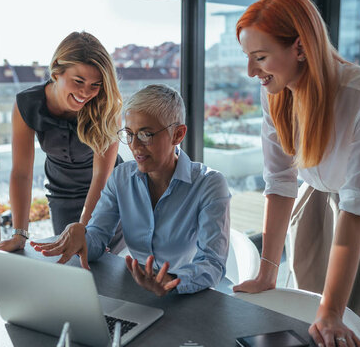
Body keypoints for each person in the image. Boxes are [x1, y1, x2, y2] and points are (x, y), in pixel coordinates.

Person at [232, 0, 360, 347]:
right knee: (306, 324)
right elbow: (279, 181)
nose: (250, 71)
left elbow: (356, 204)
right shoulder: (273, 91)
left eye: (259, 57)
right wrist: (266, 272)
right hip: (317, 202)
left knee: (357, 329)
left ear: (301, 48)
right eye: (247, 57)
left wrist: (333, 310)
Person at [31, 84, 231, 296]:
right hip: (136, 290)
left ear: (178, 135)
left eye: (146, 135)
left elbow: (212, 262)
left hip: (190, 295)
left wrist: (171, 281)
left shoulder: (209, 184)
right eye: (129, 134)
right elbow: (98, 238)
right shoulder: (121, 177)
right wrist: (81, 238)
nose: (134, 146)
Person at [0, 31, 125, 253]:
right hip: (61, 194)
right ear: (57, 70)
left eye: (96, 84)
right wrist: (19, 235)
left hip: (108, 195)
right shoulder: (27, 104)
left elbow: (101, 177)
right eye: (78, 81)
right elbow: (21, 173)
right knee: (69, 268)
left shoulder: (108, 107)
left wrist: (83, 229)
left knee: (101, 266)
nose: (86, 92)